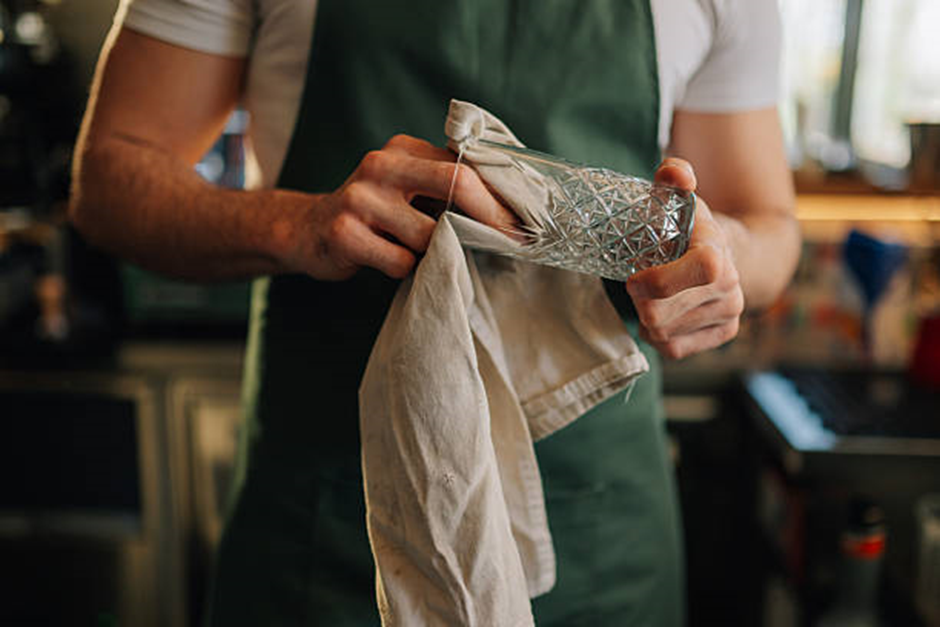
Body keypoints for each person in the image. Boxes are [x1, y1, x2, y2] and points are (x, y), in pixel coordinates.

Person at [70, 0, 800, 624]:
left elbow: (765, 221)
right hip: (334, 525)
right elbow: (109, 178)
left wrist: (719, 251)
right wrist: (296, 224)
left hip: (601, 532)